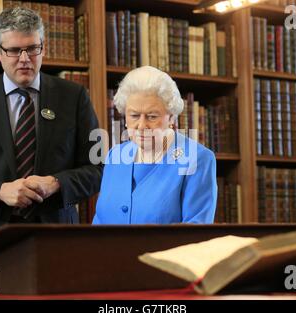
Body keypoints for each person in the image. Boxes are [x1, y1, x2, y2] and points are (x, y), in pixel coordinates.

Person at [0, 7, 102, 245]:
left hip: (57, 239)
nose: (25, 59)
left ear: (43, 47)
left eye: (33, 49)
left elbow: (97, 169)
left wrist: (57, 183)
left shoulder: (74, 97)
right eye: (14, 50)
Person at [92, 66, 217, 224]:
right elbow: (100, 222)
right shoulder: (115, 156)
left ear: (171, 117)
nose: (141, 125)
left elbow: (195, 233)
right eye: (134, 115)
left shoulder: (197, 159)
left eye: (152, 116)